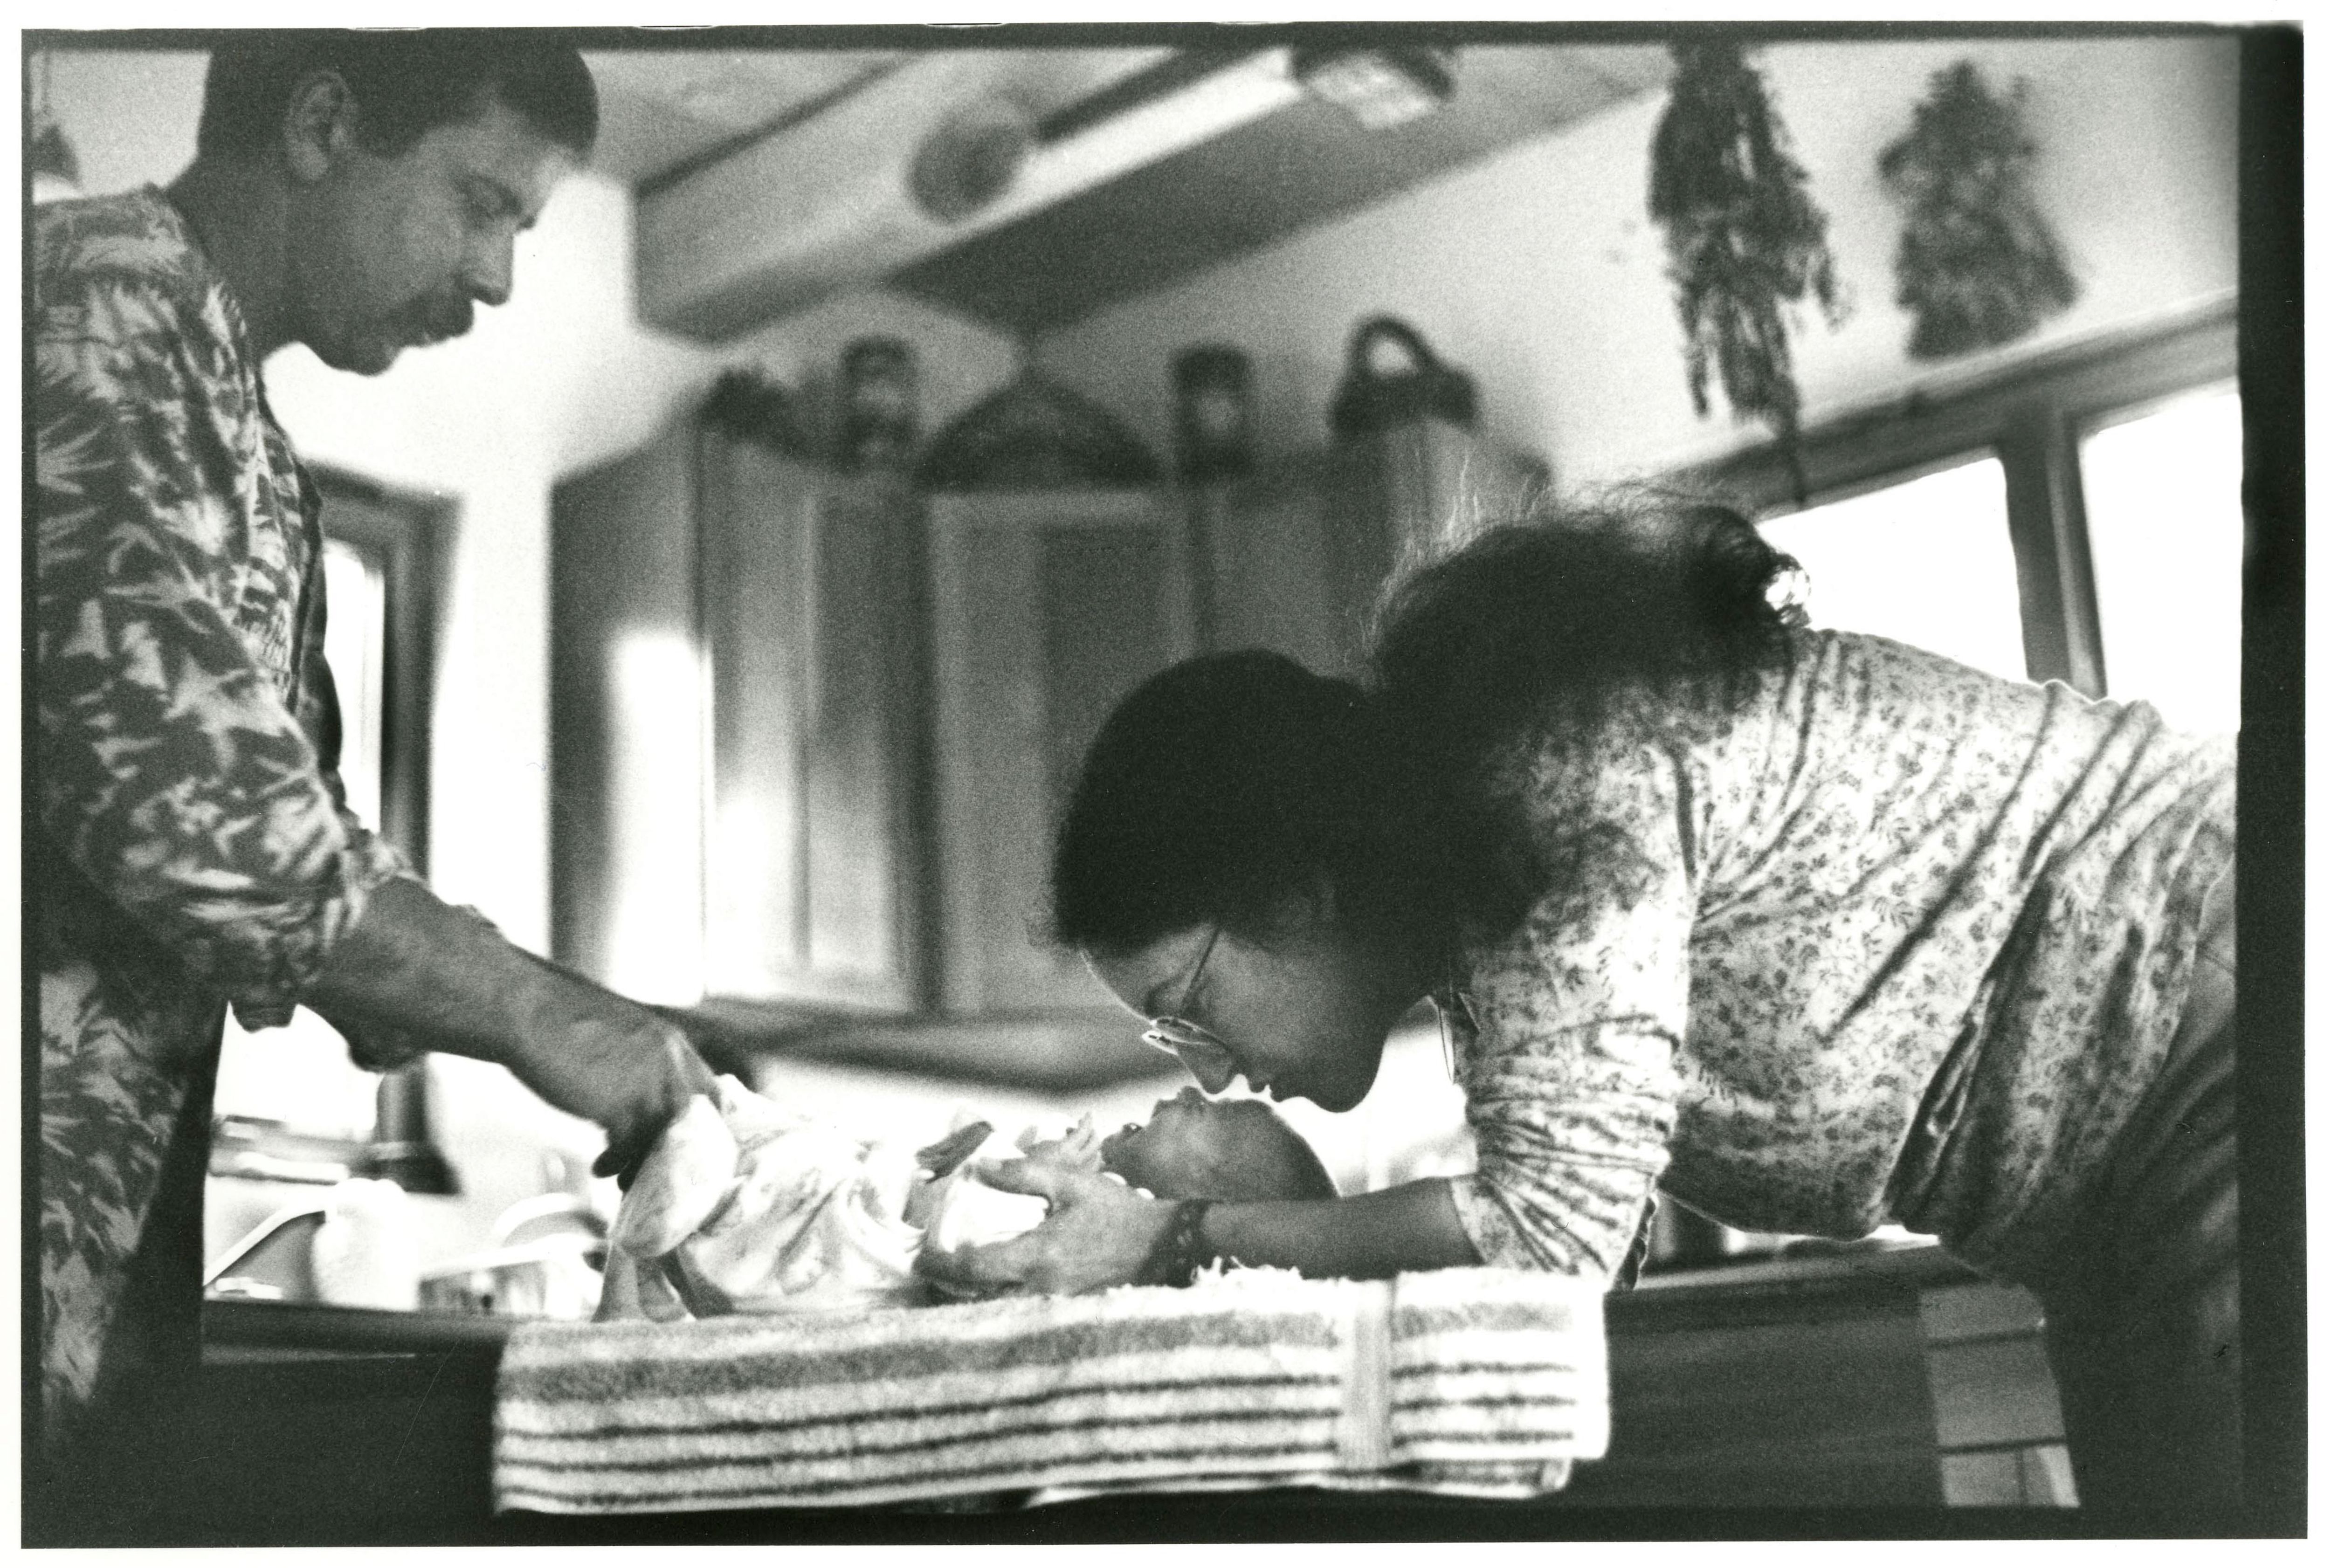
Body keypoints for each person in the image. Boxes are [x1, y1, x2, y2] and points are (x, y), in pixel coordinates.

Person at [917, 500, 2238, 1531]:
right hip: (2112, 1192)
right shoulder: (1482, 911)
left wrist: (1175, 1238)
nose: (1209, 1068)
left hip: (2229, 1023)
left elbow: (1549, 1241)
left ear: (1296, 891)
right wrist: (1264, 1213)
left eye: (1192, 1004)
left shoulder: (1545, 785)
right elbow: (1572, 1234)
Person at [30, 33, 716, 1526]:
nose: (497, 278)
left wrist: (485, 999)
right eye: (481, 201)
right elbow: (202, 807)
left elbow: (307, 849)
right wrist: (539, 1012)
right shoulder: (83, 302)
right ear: (324, 124)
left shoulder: (249, 444)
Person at [602, 1079, 1336, 1319]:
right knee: (801, 1145)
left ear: (1201, 1200)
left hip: (854, 1246)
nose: (1188, 1091)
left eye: (1210, 1115)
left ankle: (684, 1189)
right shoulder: (1094, 1213)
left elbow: (956, 1238)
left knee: (796, 1178)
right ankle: (674, 1210)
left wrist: (1030, 1167)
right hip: (856, 1218)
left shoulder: (1093, 1258)